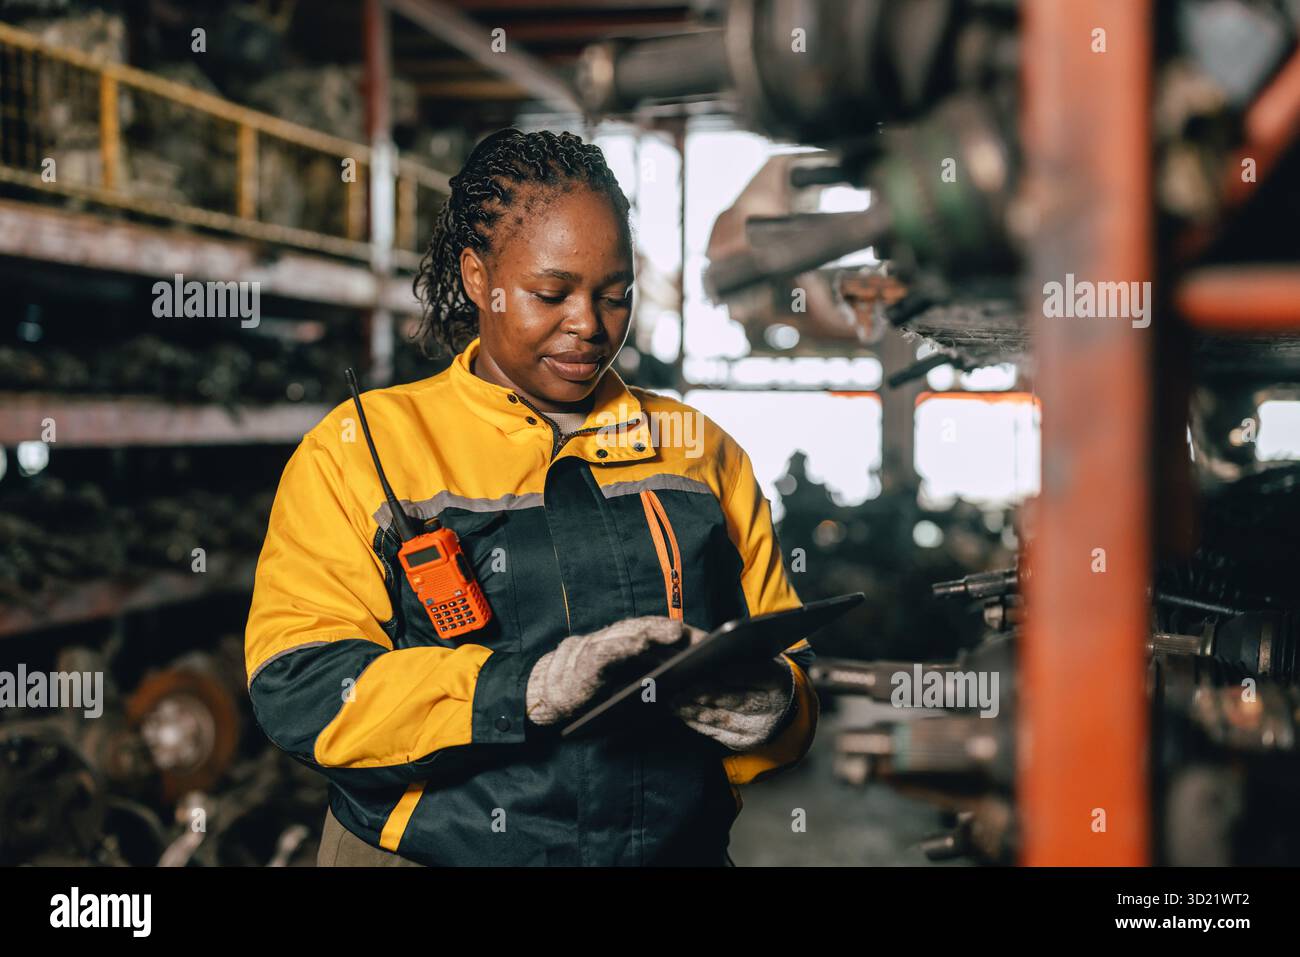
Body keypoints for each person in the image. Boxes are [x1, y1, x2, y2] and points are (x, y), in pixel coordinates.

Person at [244, 127, 818, 867]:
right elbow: (302, 686)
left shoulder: (698, 451)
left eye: (616, 296)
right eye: (553, 293)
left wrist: (778, 706)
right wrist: (524, 690)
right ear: (479, 277)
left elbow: (792, 661)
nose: (589, 325)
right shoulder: (363, 450)